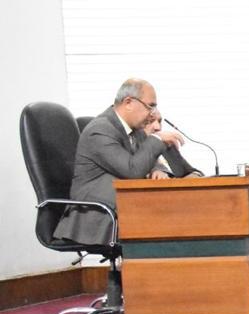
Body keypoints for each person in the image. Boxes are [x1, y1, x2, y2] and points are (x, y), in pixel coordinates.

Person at [53, 78, 186, 244]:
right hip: (97, 214)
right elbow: (132, 170)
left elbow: (146, 158)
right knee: (165, 216)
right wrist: (157, 139)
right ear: (128, 102)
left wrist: (158, 169)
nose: (152, 113)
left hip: (121, 205)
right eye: (150, 106)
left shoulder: (134, 129)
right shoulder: (100, 130)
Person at [143, 112, 202, 178]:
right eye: (150, 121)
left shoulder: (167, 147)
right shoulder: (135, 151)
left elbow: (193, 172)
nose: (158, 127)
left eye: (159, 121)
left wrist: (194, 175)